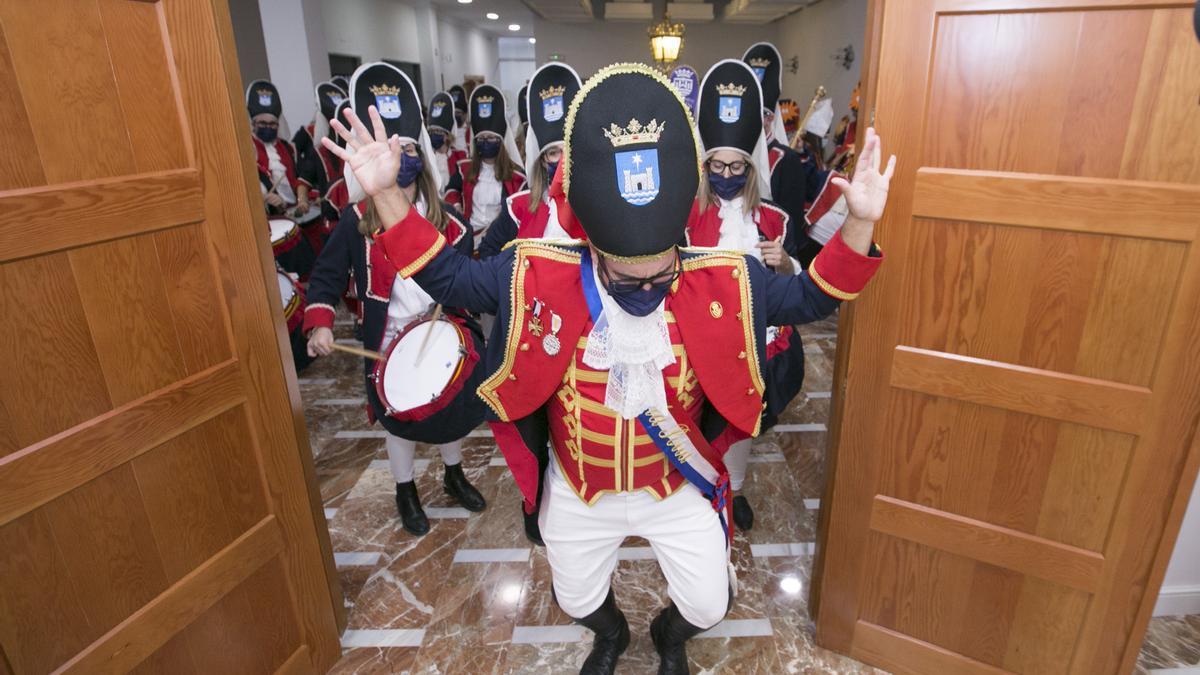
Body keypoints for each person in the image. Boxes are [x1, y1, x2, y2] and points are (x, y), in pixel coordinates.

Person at [322, 62, 893, 675]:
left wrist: (858, 220)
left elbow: (811, 298)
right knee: (574, 597)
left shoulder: (724, 276)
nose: (644, 286)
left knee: (710, 601)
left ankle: (669, 637)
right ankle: (612, 634)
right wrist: (385, 193)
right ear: (594, 245)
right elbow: (447, 274)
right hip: (579, 484)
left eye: (658, 272)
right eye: (625, 274)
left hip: (674, 483)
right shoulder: (536, 272)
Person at [305, 62, 488, 536]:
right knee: (397, 422)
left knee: (445, 409)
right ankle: (405, 489)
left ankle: (453, 473)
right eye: (391, 149)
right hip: (385, 340)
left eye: (408, 148)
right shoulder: (354, 221)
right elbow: (326, 275)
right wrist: (321, 322)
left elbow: (464, 288)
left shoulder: (453, 225)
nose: (400, 157)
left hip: (441, 331)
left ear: (421, 156)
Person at [685, 59, 809, 532]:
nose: (727, 173)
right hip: (701, 336)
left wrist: (785, 262)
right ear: (705, 164)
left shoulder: (775, 219)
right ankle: (697, 482)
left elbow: (800, 281)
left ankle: (733, 489)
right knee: (698, 416)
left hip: (753, 341)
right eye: (717, 165)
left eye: (737, 166)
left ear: (750, 166)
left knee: (743, 419)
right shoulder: (686, 216)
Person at [743, 43, 842, 268]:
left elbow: (791, 227)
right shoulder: (733, 157)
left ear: (770, 119)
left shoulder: (786, 160)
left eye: (764, 114)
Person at [478, 62, 585, 258]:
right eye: (554, 152)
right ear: (543, 160)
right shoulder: (517, 208)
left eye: (568, 151)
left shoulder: (595, 208)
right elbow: (487, 252)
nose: (562, 161)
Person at [443, 84, 527, 250]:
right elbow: (451, 190)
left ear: (501, 142)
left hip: (500, 242)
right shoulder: (464, 168)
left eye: (491, 138)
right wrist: (456, 204)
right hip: (469, 239)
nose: (486, 142)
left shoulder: (517, 176)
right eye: (481, 139)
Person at [248, 79, 315, 276]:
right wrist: (263, 199)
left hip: (295, 212)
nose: (268, 127)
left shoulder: (288, 148)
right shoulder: (248, 151)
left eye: (272, 124)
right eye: (262, 123)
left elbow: (300, 178)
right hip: (269, 220)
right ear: (253, 124)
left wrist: (302, 199)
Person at [426, 91, 468, 189]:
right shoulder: (426, 158)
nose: (434, 134)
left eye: (439, 131)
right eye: (432, 131)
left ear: (447, 135)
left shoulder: (460, 156)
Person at [448, 84, 470, 150]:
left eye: (458, 113)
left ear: (465, 114)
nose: (454, 116)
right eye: (452, 113)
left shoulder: (470, 133)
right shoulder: (446, 136)